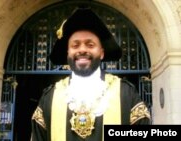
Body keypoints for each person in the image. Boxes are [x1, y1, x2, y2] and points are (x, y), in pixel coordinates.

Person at [30, 8, 151, 141]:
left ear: (102, 52)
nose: (82, 50)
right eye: (75, 45)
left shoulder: (126, 94)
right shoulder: (49, 98)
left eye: (90, 44)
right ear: (67, 53)